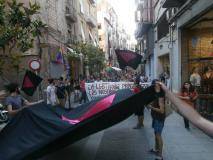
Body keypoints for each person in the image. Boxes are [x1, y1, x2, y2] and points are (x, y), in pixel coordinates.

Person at [148, 79, 165, 160]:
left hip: (159, 118)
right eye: (155, 84)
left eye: (158, 84)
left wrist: (151, 107)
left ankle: (160, 155)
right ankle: (156, 150)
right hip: (155, 117)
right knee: (156, 134)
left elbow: (161, 111)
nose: (156, 85)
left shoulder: (160, 95)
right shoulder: (155, 94)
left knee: (158, 135)